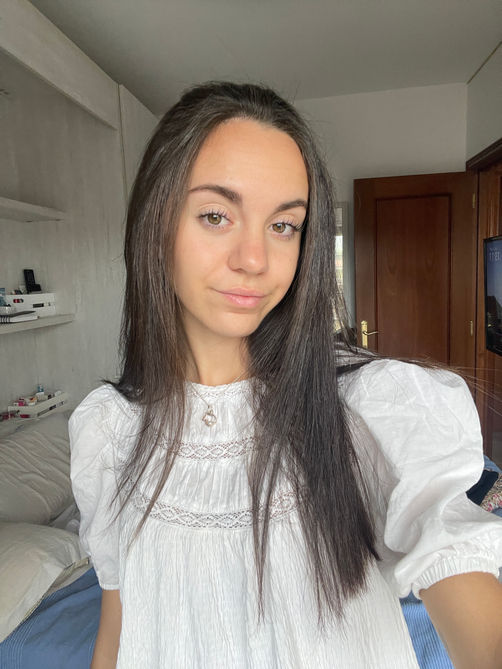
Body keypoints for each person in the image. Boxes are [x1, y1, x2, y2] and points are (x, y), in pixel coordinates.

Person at [69, 82, 502, 669]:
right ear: (156, 224)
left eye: (284, 226)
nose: (255, 260)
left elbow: (455, 555)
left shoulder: (366, 407)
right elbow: (120, 626)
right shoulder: (107, 432)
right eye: (216, 216)